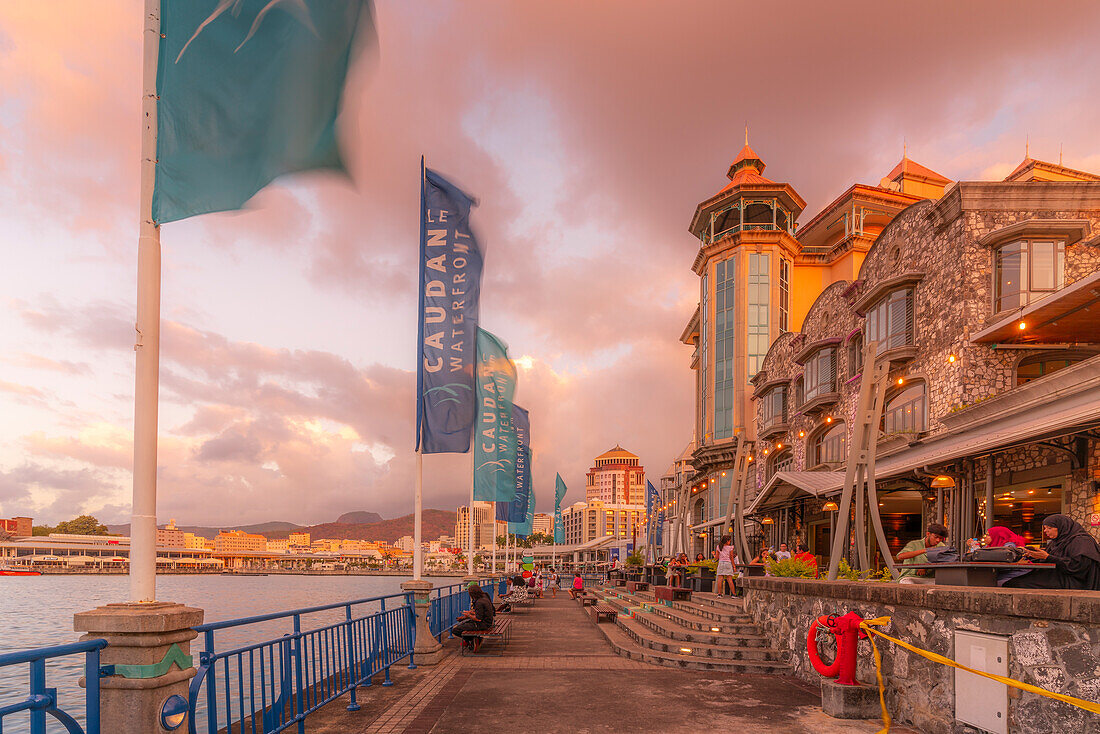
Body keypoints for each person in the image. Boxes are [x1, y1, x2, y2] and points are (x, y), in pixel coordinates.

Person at [1004, 514, 1100, 590]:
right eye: (1045, 528)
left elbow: (1078, 566)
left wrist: (1047, 557)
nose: (1046, 531)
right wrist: (1032, 555)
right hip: (1056, 575)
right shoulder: (1057, 542)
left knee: (1017, 584)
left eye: (1049, 528)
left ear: (1062, 527)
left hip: (1073, 580)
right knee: (1012, 582)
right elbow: (1050, 558)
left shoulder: (1081, 541)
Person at [451, 583, 495, 652]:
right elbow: (480, 612)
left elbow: (478, 619)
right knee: (463, 624)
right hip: (488, 622)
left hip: (483, 624)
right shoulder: (484, 597)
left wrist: (468, 615)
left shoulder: (479, 602)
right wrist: (467, 615)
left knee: (455, 630)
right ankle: (470, 641)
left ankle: (473, 639)